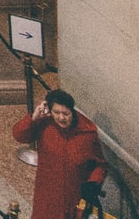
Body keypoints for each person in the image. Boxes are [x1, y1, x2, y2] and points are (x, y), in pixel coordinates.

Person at [13, 89, 107, 219]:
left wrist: (93, 182)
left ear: (72, 112)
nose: (61, 118)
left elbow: (100, 165)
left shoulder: (87, 134)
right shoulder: (44, 124)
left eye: (66, 113)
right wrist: (33, 118)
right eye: (56, 113)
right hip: (46, 197)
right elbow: (19, 135)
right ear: (49, 110)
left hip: (74, 200)